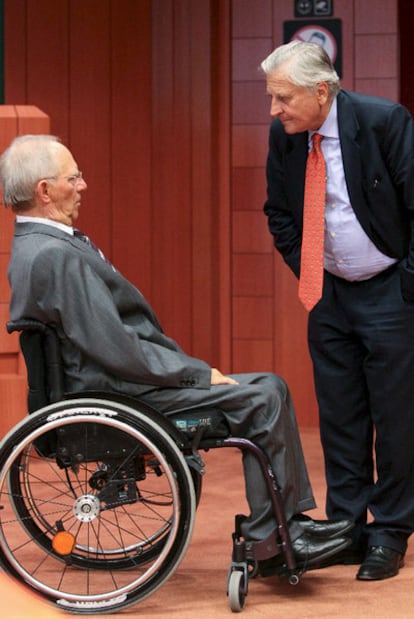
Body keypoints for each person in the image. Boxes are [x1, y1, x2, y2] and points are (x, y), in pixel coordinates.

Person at [0, 134, 351, 577]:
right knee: (261, 398)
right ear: (45, 191)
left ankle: (284, 527)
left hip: (108, 385)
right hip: (117, 393)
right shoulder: (53, 254)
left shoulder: (38, 246)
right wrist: (197, 375)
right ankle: (278, 538)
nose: (84, 185)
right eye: (75, 177)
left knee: (270, 385)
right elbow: (115, 347)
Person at [261, 39, 414, 581]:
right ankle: (346, 529)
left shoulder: (383, 122)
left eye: (283, 97)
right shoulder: (286, 138)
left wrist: (406, 288)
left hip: (389, 291)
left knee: (395, 418)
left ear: (321, 91)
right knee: (340, 418)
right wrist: (309, 273)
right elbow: (278, 212)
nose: (274, 110)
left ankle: (390, 533)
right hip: (327, 296)